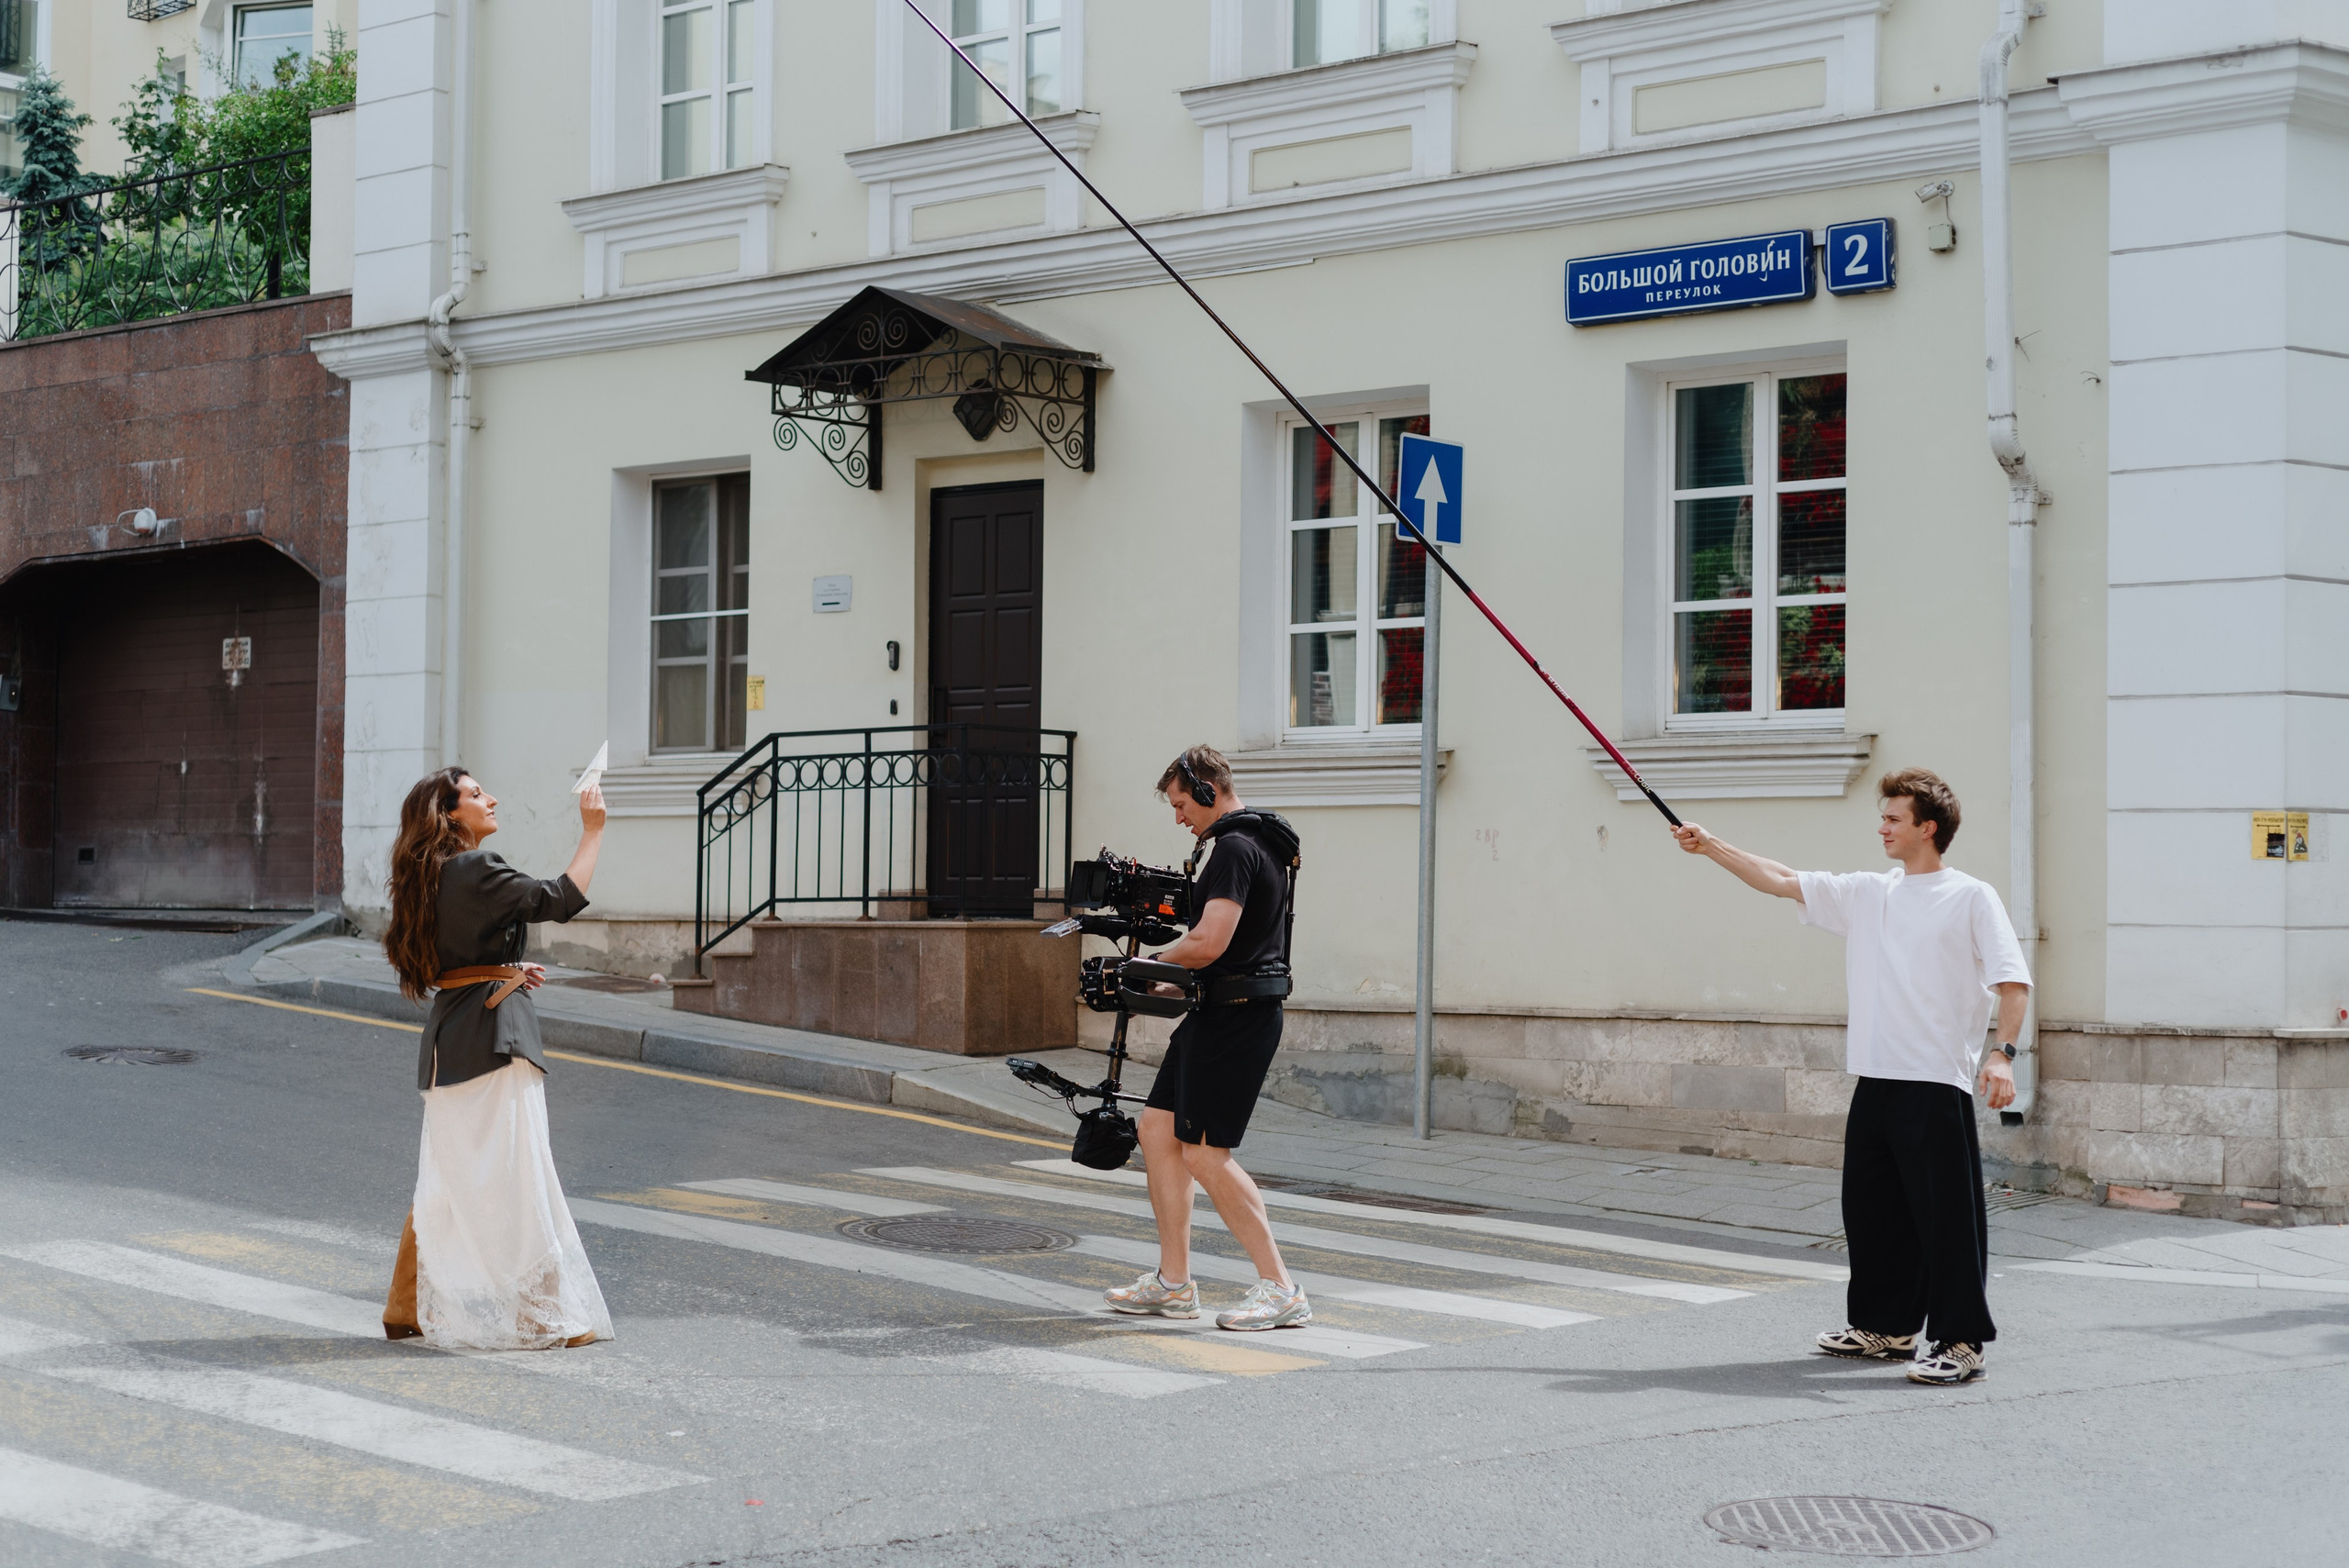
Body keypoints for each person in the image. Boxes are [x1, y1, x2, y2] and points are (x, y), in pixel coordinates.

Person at [1671, 767, 2029, 1385]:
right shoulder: (1871, 891)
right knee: (1872, 1213)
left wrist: (2002, 1054)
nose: (1883, 827)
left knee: (1947, 1220)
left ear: (1928, 827)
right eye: (1883, 816)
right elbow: (1781, 878)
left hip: (1935, 1083)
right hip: (1876, 1077)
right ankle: (1886, 1328)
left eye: (1894, 818)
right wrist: (1712, 846)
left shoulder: (1971, 896)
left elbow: (2013, 982)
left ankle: (1961, 1339)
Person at [378, 767, 614, 1351]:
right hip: (492, 1038)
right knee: (520, 1175)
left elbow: (446, 964)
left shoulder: (422, 878)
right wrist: (593, 831)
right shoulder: (475, 868)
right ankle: (541, 1317)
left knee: (446, 1178)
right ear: (450, 812)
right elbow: (559, 900)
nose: (492, 798)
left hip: (449, 1039)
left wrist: (503, 970)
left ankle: (405, 1305)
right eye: (478, 794)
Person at [1102, 746, 1310, 1332]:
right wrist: (1159, 985)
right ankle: (1174, 1285)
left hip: (1238, 1018)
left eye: (1180, 803)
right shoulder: (1259, 843)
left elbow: (1210, 941)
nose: (1178, 817)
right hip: (1220, 1009)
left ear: (1208, 789)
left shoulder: (1235, 849)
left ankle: (1282, 1289)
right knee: (1157, 1129)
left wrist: (1138, 966)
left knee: (1205, 1154)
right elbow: (1223, 952)